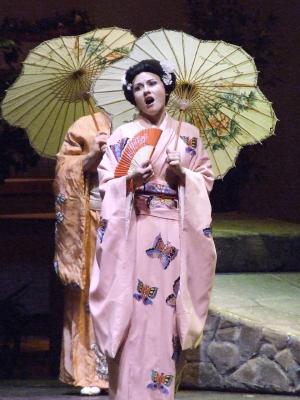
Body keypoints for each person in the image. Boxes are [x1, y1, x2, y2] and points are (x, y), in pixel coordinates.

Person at [89, 59, 217, 399]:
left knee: (167, 319)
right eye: (138, 88)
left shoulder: (188, 136)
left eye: (152, 83)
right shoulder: (122, 136)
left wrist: (183, 176)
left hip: (174, 236)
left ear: (165, 87)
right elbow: (106, 185)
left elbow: (205, 181)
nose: (146, 91)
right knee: (133, 318)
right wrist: (130, 180)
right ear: (132, 97)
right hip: (135, 234)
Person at [53, 112, 110, 395]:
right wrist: (92, 154)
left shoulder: (147, 124)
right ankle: (89, 371)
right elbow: (65, 169)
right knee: (90, 292)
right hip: (93, 219)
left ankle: (132, 368)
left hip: (135, 218)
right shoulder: (87, 126)